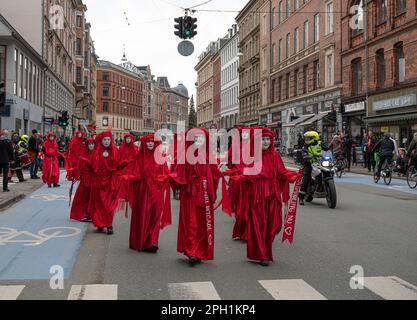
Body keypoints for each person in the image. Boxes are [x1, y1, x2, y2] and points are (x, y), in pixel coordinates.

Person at [169, 128, 223, 266]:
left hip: (204, 193)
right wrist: (171, 178)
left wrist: (224, 173)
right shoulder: (185, 156)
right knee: (191, 222)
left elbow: (215, 174)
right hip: (190, 194)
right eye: (196, 138)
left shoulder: (209, 156)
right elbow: (178, 174)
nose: (198, 141)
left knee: (203, 224)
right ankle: (191, 251)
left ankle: (200, 251)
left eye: (201, 138)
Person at [82, 130, 132, 235]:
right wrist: (86, 162)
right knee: (99, 204)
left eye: (108, 139)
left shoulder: (115, 151)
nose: (106, 141)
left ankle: (109, 225)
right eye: (104, 139)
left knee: (108, 205)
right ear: (101, 140)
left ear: (111, 140)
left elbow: (117, 166)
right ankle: (100, 224)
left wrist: (126, 163)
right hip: (98, 182)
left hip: (109, 182)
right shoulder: (96, 152)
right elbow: (92, 166)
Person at [129, 134, 171, 253]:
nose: (150, 143)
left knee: (156, 214)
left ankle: (153, 241)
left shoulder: (160, 157)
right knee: (144, 214)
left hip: (156, 190)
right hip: (143, 190)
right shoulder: (139, 157)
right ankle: (144, 240)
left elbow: (165, 173)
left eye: (152, 141)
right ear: (144, 143)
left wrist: (164, 178)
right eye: (148, 142)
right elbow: (136, 174)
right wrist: (129, 178)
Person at [70, 138, 96, 222]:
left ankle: (91, 214)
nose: (91, 145)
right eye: (89, 144)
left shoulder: (97, 154)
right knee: (82, 197)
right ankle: (84, 213)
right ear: (87, 145)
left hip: (93, 179)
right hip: (85, 179)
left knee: (92, 197)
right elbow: (80, 166)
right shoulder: (84, 154)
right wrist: (74, 170)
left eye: (92, 144)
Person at [299, 131, 322, 205]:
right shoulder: (306, 145)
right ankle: (301, 198)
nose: (307, 139)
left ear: (314, 138)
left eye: (309, 138)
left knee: (329, 171)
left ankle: (322, 186)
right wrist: (306, 156)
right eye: (307, 138)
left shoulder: (320, 143)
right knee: (306, 179)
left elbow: (327, 149)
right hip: (309, 163)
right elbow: (303, 152)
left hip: (319, 163)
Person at [116, 134, 137, 212]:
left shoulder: (135, 148)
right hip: (124, 167)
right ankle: (125, 195)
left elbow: (136, 157)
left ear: (131, 139)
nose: (128, 140)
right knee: (123, 182)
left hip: (131, 167)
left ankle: (129, 195)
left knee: (130, 182)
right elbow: (119, 157)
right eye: (127, 138)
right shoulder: (122, 147)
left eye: (129, 138)